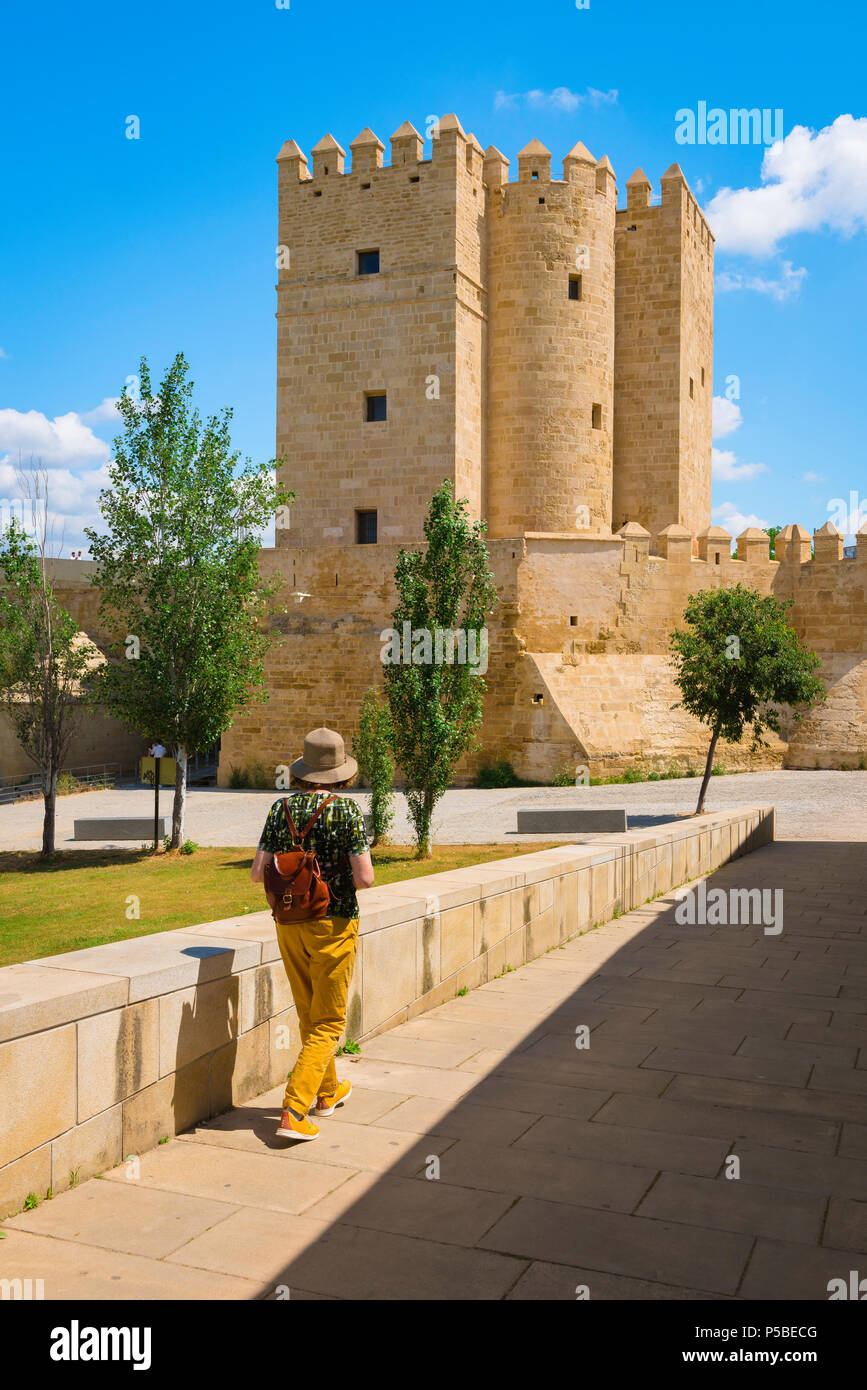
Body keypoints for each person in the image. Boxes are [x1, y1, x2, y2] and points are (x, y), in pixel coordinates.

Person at [251, 727, 374, 1141]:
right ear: (341, 772)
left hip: (289, 923)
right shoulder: (347, 812)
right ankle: (294, 1108)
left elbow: (257, 874)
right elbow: (366, 878)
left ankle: (327, 1092)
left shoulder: (279, 810)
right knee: (329, 1022)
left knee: (309, 1014)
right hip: (334, 922)